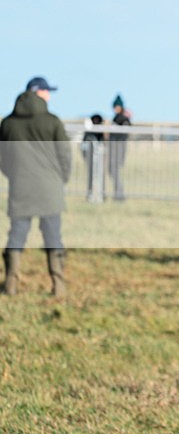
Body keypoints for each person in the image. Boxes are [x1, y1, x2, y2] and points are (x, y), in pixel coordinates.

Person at [0, 76, 71, 297]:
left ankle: (10, 284)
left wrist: (14, 176)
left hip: (20, 186)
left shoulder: (8, 123)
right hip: (50, 188)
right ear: (38, 92)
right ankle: (58, 285)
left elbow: (3, 158)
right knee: (53, 236)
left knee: (16, 235)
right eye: (47, 91)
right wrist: (61, 179)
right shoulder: (52, 122)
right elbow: (64, 155)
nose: (49, 95)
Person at [108, 94, 131, 201]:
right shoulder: (117, 118)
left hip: (118, 149)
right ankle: (118, 193)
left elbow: (125, 132)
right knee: (113, 171)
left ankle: (119, 194)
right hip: (114, 149)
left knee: (114, 170)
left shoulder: (123, 118)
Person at [82, 114, 105, 202]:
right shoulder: (88, 133)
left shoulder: (100, 132)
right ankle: (90, 194)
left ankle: (100, 195)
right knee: (91, 177)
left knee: (100, 177)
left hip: (99, 160)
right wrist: (85, 157)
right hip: (91, 159)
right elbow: (84, 146)